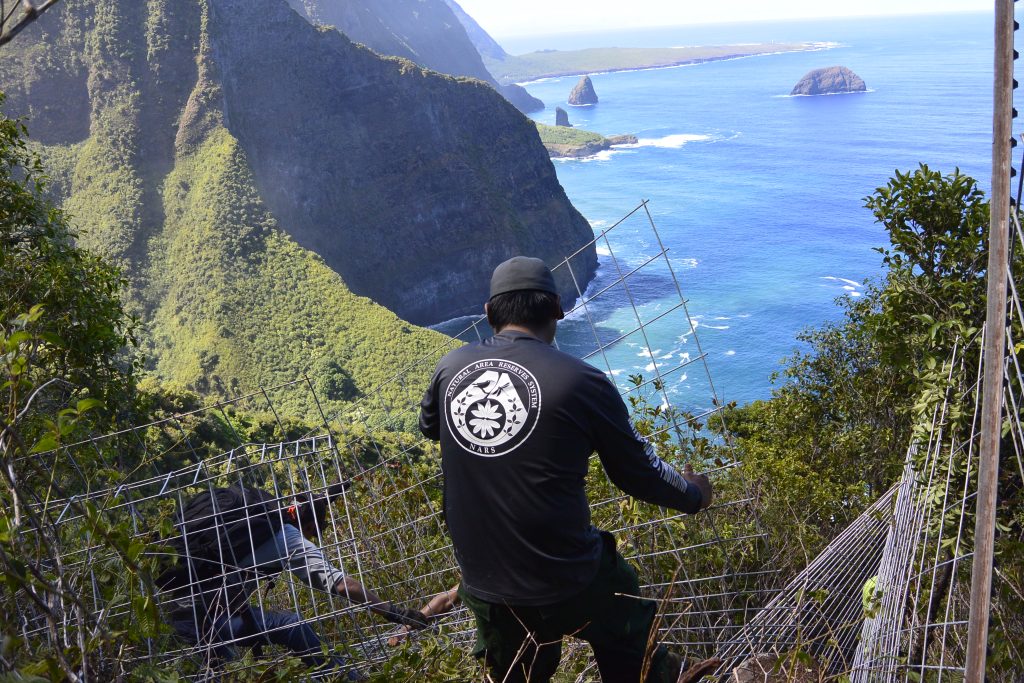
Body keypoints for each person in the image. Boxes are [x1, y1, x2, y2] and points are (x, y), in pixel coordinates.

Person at [419, 256, 716, 683]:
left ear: (488, 313)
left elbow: (431, 426)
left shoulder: (450, 368)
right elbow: (638, 471)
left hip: (484, 580)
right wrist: (692, 493)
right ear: (558, 308)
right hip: (568, 574)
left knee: (513, 674)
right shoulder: (582, 381)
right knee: (626, 618)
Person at [158, 482, 427, 677]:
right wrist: (394, 612)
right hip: (206, 620)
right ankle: (348, 678)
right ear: (309, 527)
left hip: (180, 609)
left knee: (222, 669)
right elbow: (343, 585)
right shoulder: (287, 537)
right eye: (314, 534)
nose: (312, 540)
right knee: (293, 626)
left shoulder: (256, 516)